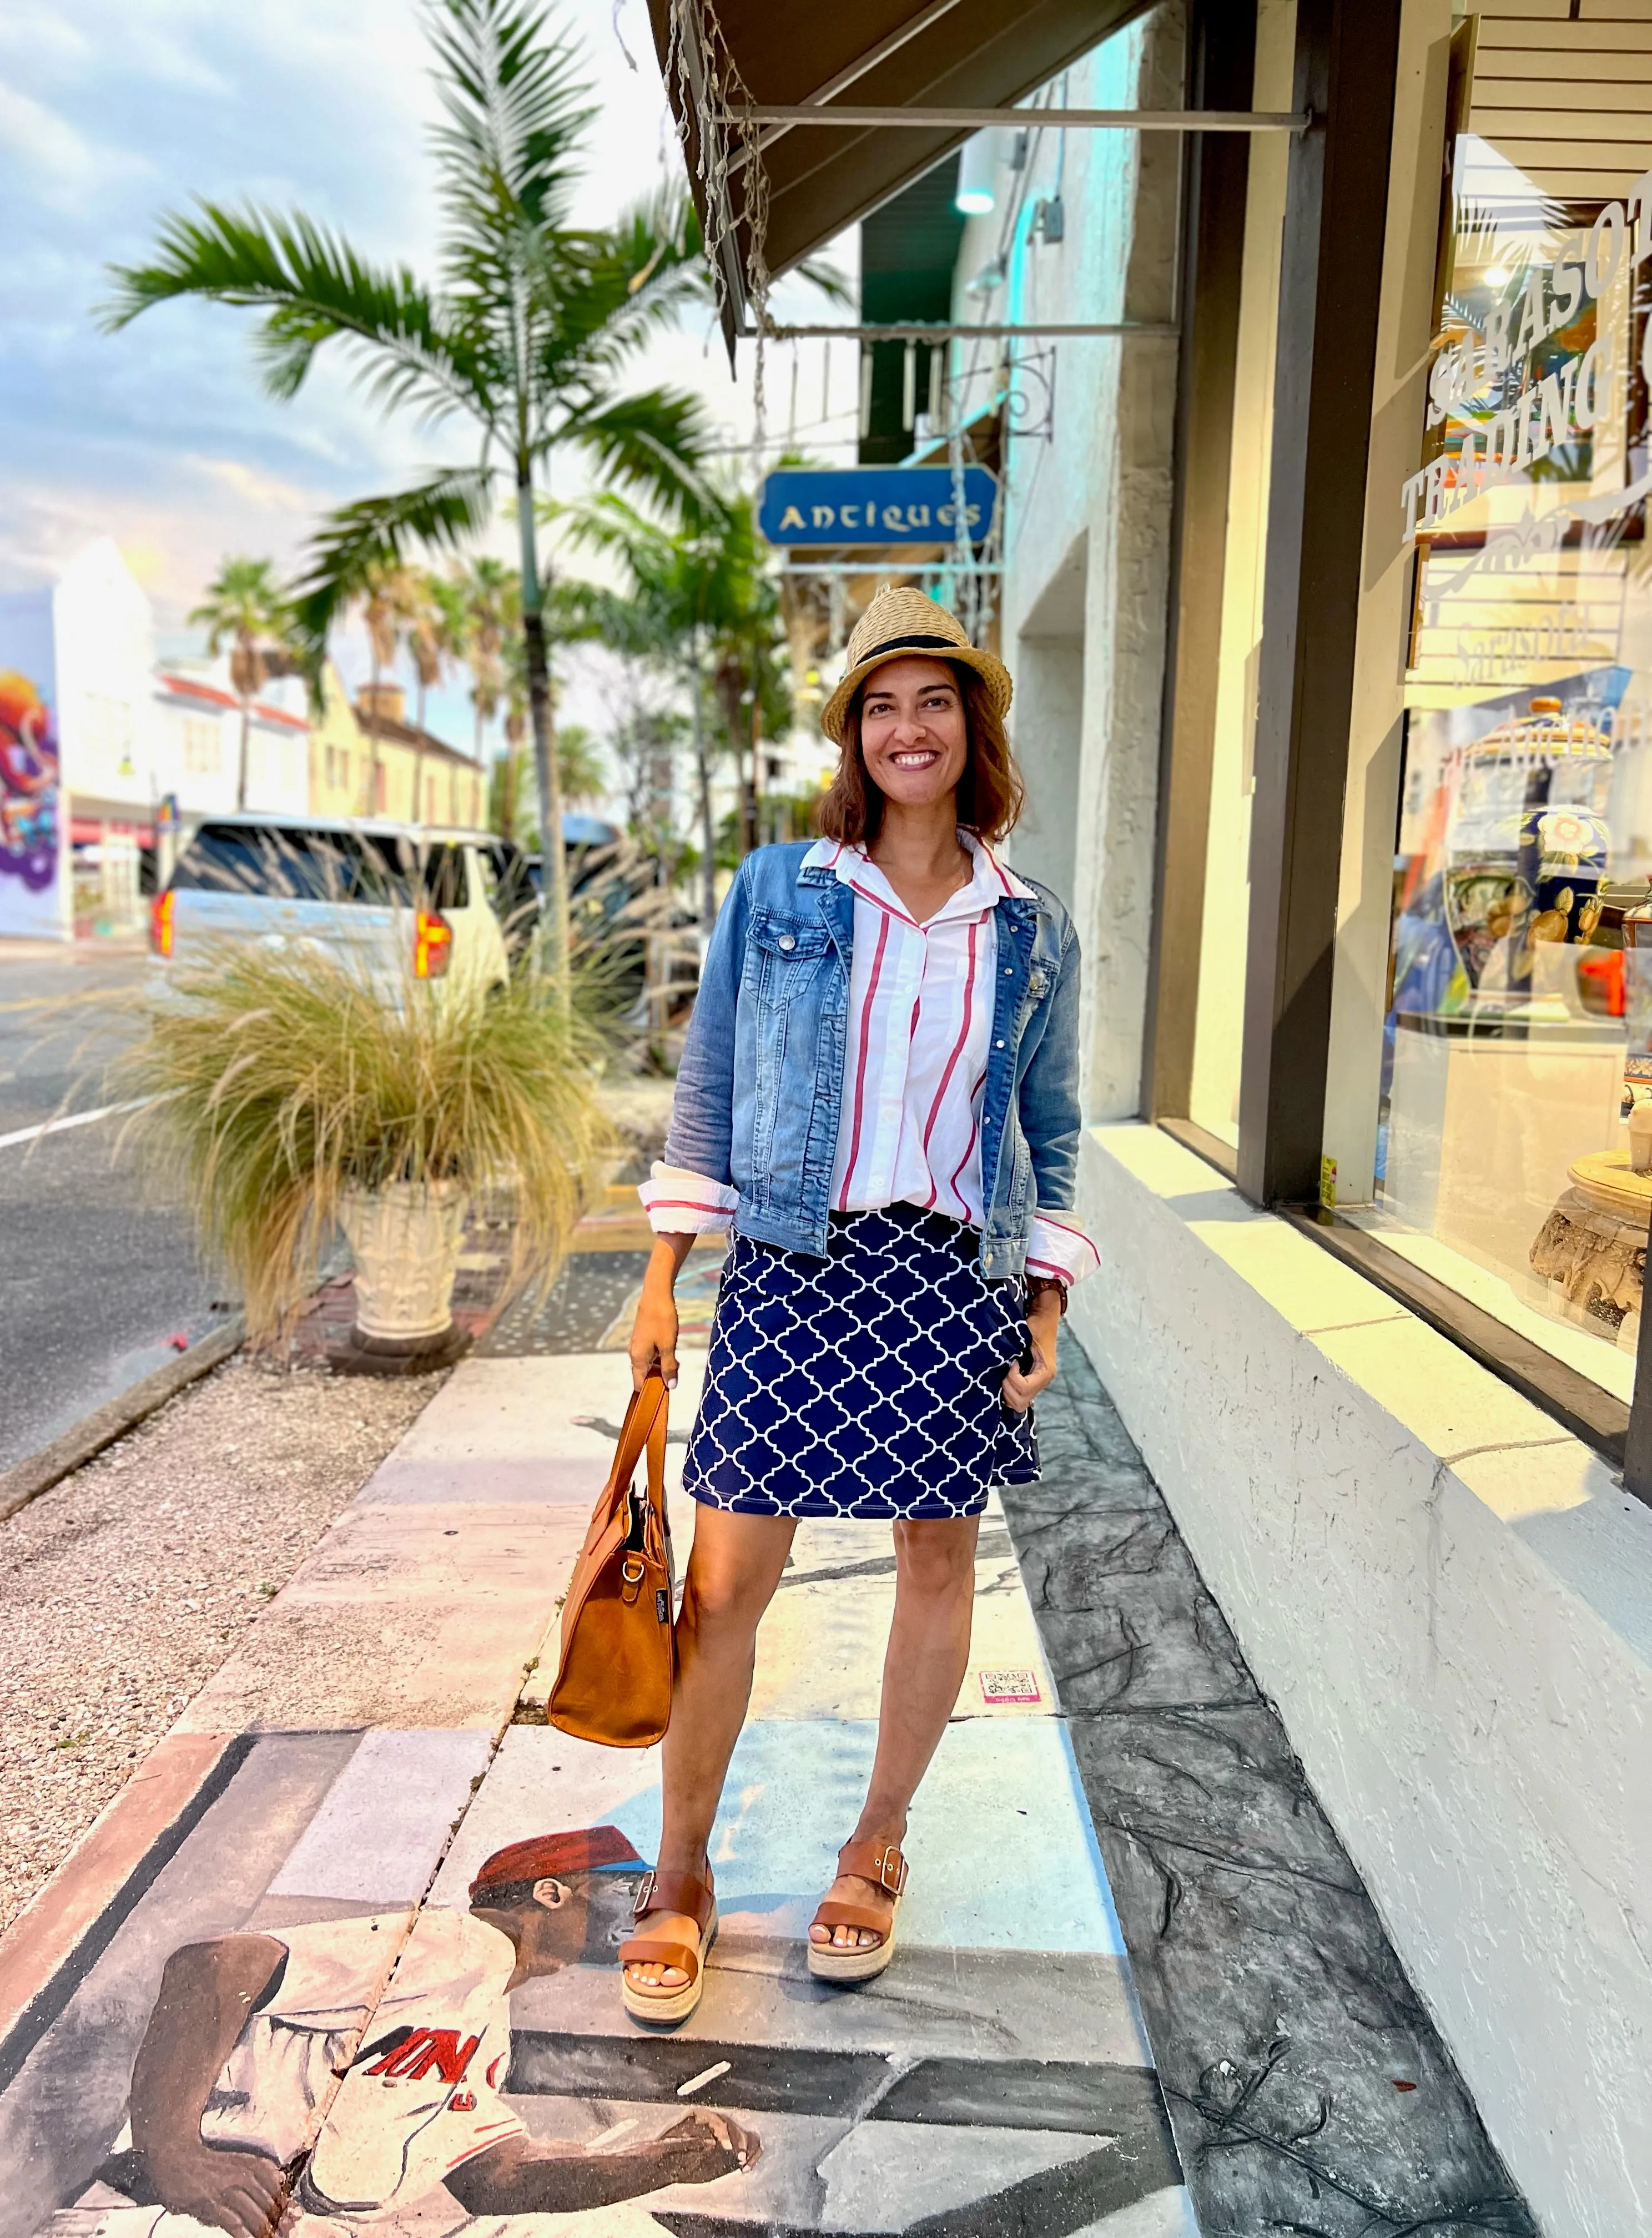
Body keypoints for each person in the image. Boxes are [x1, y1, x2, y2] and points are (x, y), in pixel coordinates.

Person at [621, 587, 1095, 2026]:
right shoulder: (784, 890)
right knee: (726, 1588)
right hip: (794, 1264)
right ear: (854, 735)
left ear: (973, 728)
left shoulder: (1031, 926)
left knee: (935, 1568)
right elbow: (712, 1082)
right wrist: (663, 1271)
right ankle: (685, 1873)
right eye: (882, 705)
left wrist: (1046, 1296)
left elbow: (1048, 1117)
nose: (909, 728)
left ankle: (875, 1848)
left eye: (934, 702)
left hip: (949, 1278)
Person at [65, 1828, 757, 2234]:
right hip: (167, 2213)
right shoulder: (457, 1944)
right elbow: (212, 1967)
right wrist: (173, 2151)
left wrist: (656, 2164)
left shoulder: (485, 2011)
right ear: (550, 1893)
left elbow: (495, 2178)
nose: (641, 1914)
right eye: (626, 1891)